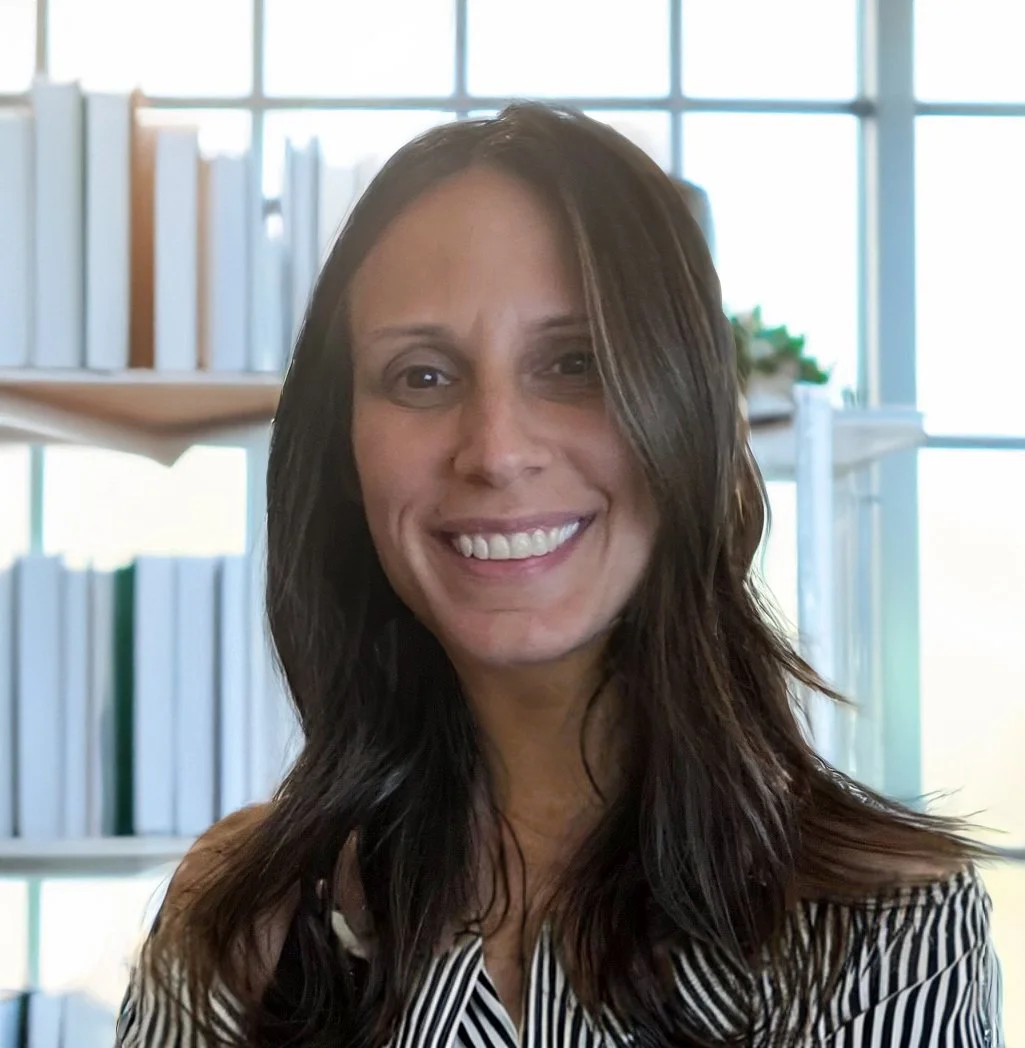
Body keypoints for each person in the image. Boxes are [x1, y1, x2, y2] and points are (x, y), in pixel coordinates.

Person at [115, 103, 1003, 1047]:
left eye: (574, 362)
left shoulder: (883, 926)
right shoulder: (240, 922)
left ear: (684, 413)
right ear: (341, 450)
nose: (496, 450)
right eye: (421, 376)